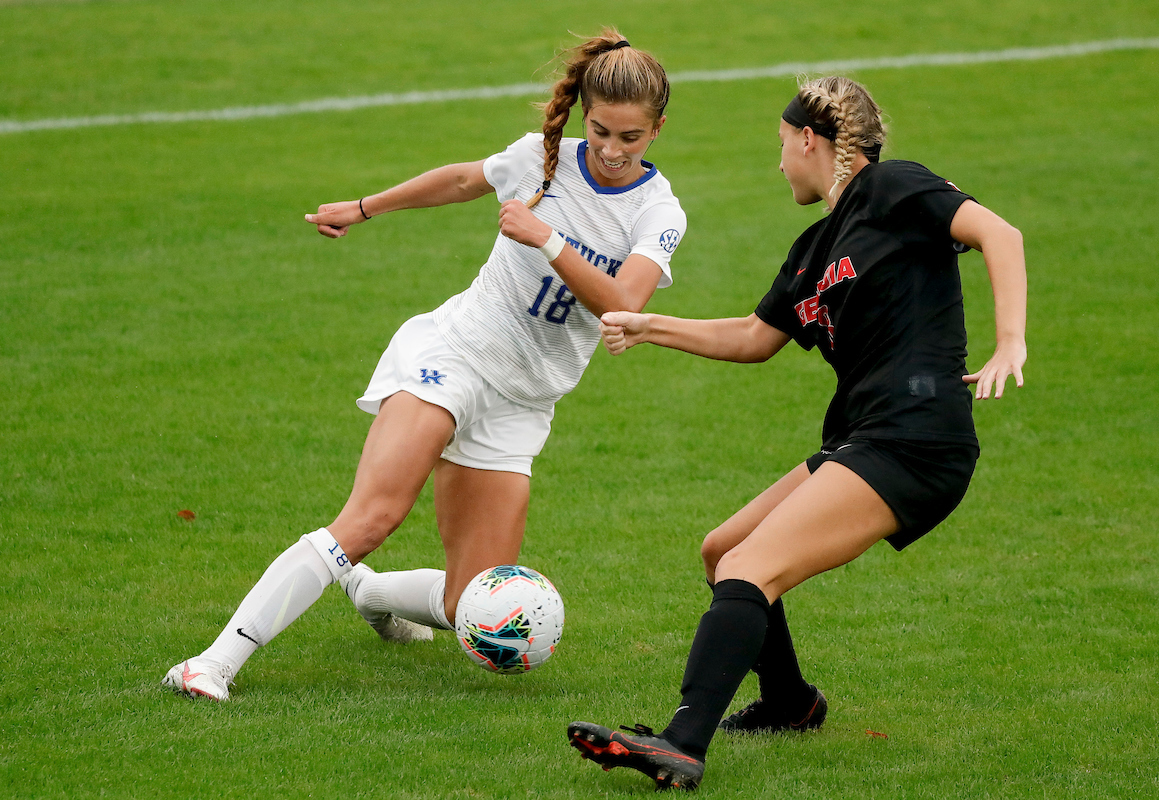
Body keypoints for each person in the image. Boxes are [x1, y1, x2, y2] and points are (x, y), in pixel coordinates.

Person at [162, 30, 686, 701]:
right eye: (602, 130)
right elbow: (467, 179)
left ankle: (371, 593)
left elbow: (624, 301)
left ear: (658, 130)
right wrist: (363, 207)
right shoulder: (540, 160)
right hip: (454, 357)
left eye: (632, 138)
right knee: (371, 520)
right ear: (585, 114)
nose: (612, 151)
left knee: (476, 606)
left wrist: (545, 236)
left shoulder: (658, 212)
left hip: (523, 404)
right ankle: (212, 662)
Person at [566, 75, 1026, 790]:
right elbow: (753, 337)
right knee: (723, 553)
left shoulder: (892, 189)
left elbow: (999, 233)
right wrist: (648, 325)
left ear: (809, 140)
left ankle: (681, 744)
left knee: (755, 569)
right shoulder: (814, 249)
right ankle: (790, 703)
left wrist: (1010, 344)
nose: (779, 162)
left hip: (917, 439)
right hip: (867, 437)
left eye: (782, 147)